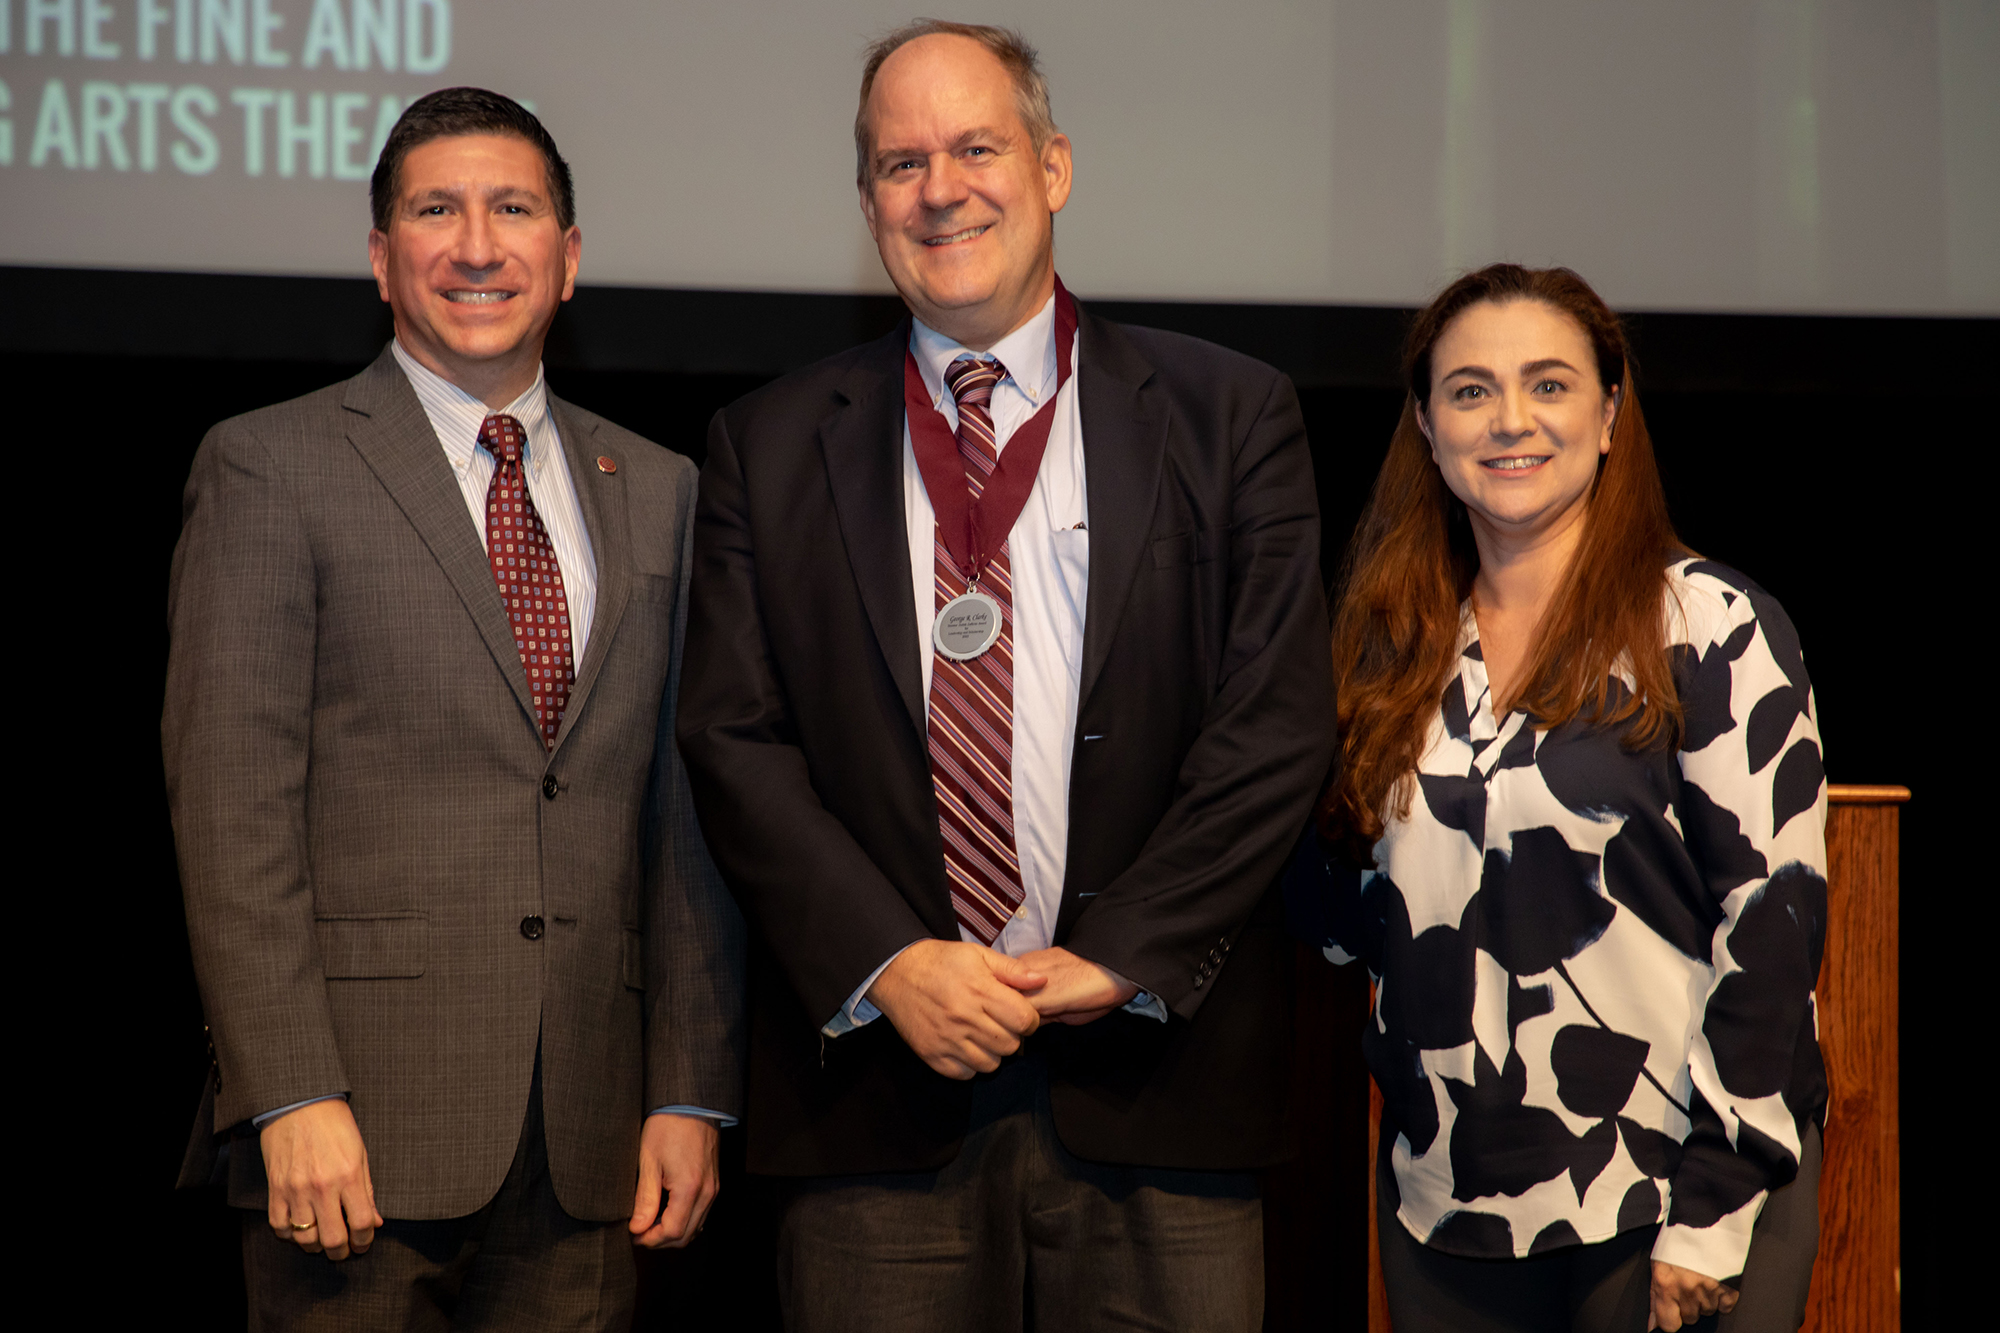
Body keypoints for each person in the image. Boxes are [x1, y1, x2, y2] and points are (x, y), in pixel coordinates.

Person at [676, 21, 1333, 1333]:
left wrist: (1119, 954)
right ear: (868, 202)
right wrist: (890, 961)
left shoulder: (1228, 413)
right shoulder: (767, 443)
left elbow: (1274, 727)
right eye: (901, 161)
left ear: (1054, 166)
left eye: (977, 146)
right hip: (875, 1091)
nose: (941, 187)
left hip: (1162, 1075)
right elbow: (735, 744)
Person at [166, 88, 745, 1329]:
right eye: (436, 210)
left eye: (513, 209)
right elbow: (229, 809)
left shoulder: (663, 489)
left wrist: (689, 1090)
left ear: (569, 257)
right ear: (382, 258)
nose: (477, 245)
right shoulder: (271, 463)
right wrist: (286, 1091)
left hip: (590, 1137)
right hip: (352, 1135)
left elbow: (688, 819)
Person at [1292, 264, 1825, 1332]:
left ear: (1609, 414)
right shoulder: (1386, 650)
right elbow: (1350, 925)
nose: (1508, 421)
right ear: (1426, 425)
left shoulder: (1707, 624)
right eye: (1470, 390)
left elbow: (1772, 927)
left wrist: (1712, 1210)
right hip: (1446, 1208)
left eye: (1547, 385)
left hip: (1673, 1196)